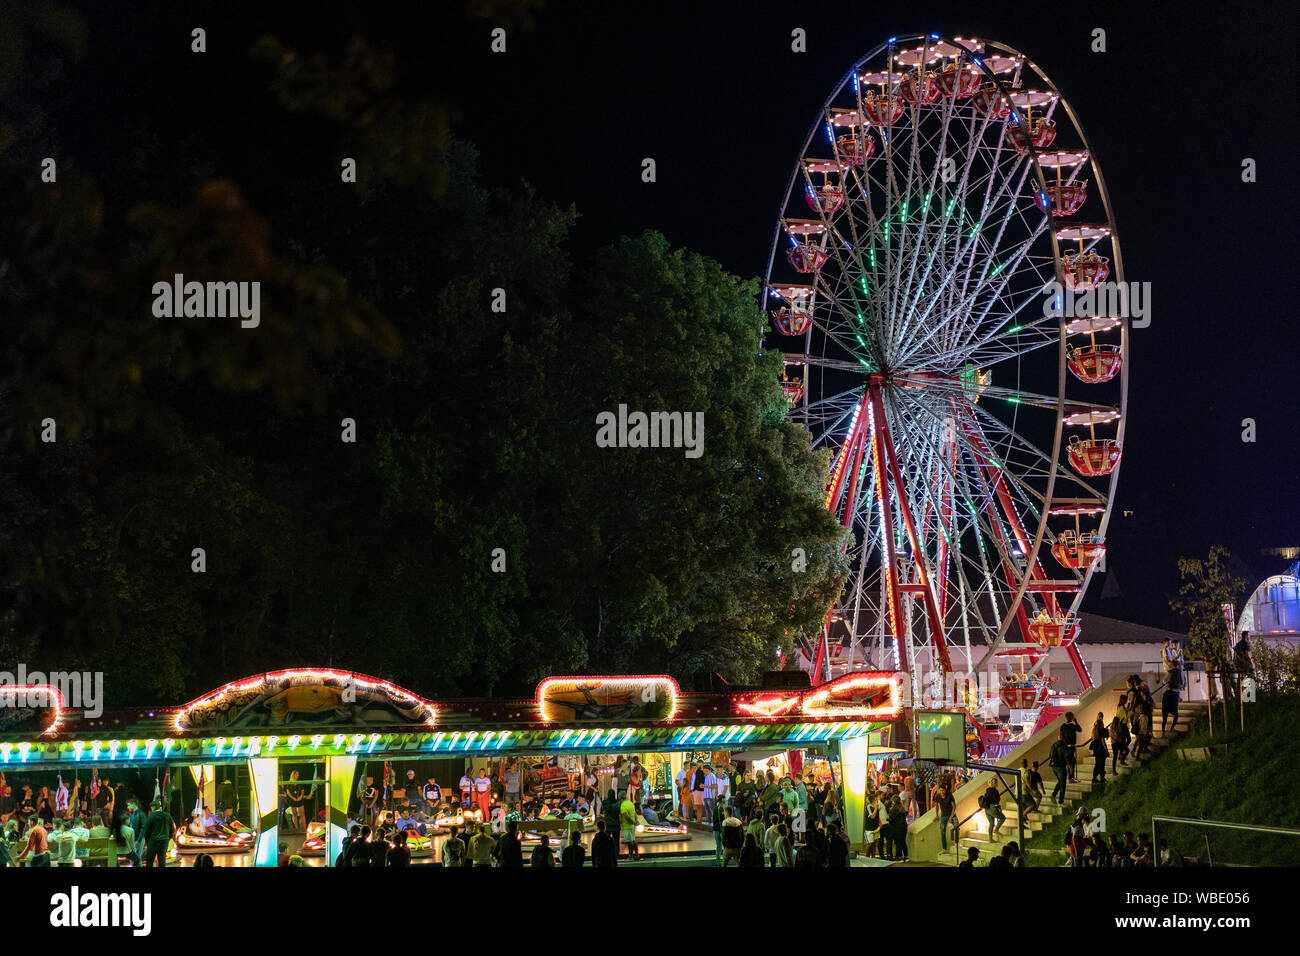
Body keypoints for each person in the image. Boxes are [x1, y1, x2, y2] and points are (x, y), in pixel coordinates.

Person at [1048, 729, 1071, 805]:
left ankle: (1054, 795)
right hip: (1061, 767)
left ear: (1058, 737)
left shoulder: (1054, 745)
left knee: (1061, 781)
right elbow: (1066, 755)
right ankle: (1060, 801)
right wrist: (1068, 764)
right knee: (1063, 784)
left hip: (1054, 766)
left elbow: (1050, 755)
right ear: (1064, 738)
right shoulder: (1064, 746)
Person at [1060, 711, 1083, 782]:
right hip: (1071, 747)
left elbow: (1061, 736)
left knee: (1069, 762)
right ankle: (1071, 778)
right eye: (1072, 716)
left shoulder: (1063, 726)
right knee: (1071, 762)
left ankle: (1070, 777)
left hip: (1065, 747)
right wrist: (1076, 722)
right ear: (1069, 717)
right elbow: (1080, 729)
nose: (1073, 718)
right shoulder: (1072, 725)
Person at [934, 780, 956, 852]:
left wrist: (951, 816)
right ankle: (944, 848)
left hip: (951, 814)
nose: (942, 792)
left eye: (943, 790)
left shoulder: (949, 795)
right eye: (940, 791)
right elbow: (937, 806)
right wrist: (937, 815)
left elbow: (954, 806)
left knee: (956, 827)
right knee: (942, 831)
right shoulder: (937, 796)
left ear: (945, 790)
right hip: (943, 816)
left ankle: (956, 845)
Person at [619, 794, 639, 862]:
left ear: (620, 799)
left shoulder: (623, 806)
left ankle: (630, 856)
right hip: (632, 826)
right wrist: (636, 821)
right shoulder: (630, 803)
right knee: (633, 840)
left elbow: (626, 816)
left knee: (629, 842)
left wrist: (633, 822)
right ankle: (636, 854)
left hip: (627, 826)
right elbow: (635, 813)